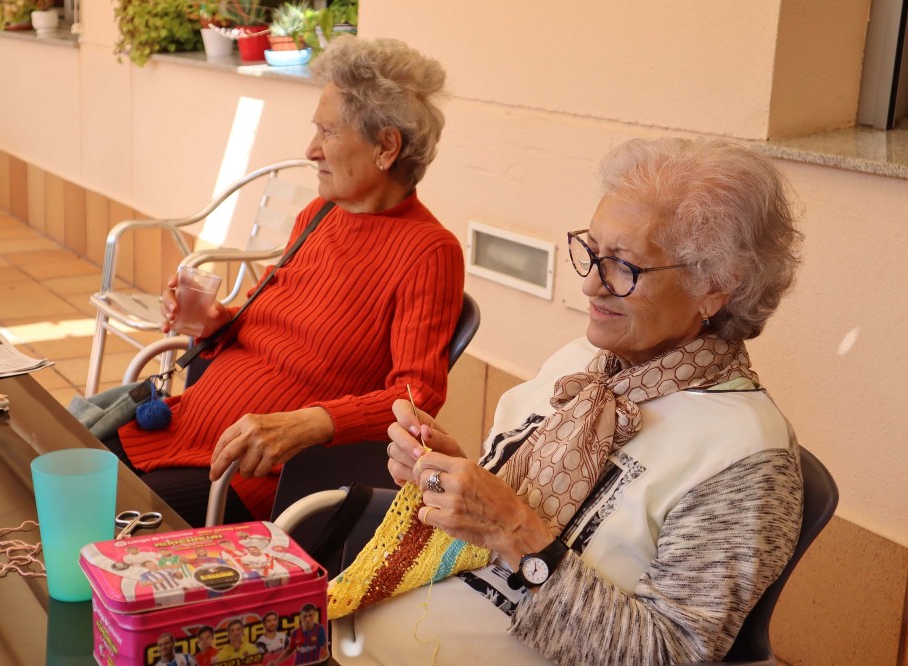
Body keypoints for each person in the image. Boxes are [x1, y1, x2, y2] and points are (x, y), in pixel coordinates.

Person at [332, 137, 805, 665]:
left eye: (624, 267)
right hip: (361, 637)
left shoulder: (743, 457)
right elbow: (504, 519)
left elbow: (668, 654)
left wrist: (514, 530)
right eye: (592, 252)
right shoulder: (581, 363)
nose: (589, 286)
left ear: (715, 286)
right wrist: (450, 475)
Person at [104, 35, 463, 527]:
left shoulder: (428, 252)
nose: (311, 149)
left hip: (253, 477)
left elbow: (418, 397)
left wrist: (311, 421)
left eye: (327, 132)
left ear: (386, 147)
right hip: (184, 427)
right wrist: (216, 322)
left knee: (92, 520)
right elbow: (268, 319)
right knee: (45, 467)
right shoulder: (317, 215)